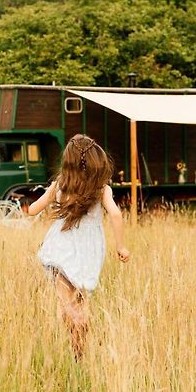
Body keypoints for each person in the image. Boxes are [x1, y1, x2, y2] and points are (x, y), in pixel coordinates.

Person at [28, 134, 130, 359]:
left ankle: (78, 326)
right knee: (80, 301)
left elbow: (33, 209)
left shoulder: (59, 186)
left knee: (66, 302)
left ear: (68, 162)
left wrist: (34, 204)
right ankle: (78, 354)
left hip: (61, 247)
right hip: (89, 252)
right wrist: (121, 247)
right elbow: (115, 213)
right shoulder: (102, 189)